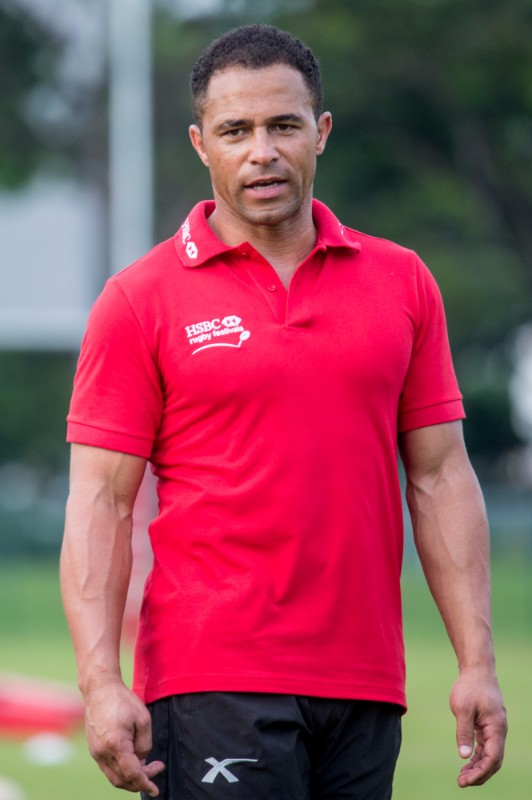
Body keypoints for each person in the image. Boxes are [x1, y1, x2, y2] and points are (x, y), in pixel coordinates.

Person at [60, 23, 507, 800]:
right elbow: (101, 501)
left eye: (284, 126)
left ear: (321, 132)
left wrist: (478, 662)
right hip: (211, 678)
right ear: (202, 144)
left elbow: (440, 477)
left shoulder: (403, 282)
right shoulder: (138, 300)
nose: (261, 151)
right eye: (236, 130)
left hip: (367, 682)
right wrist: (100, 682)